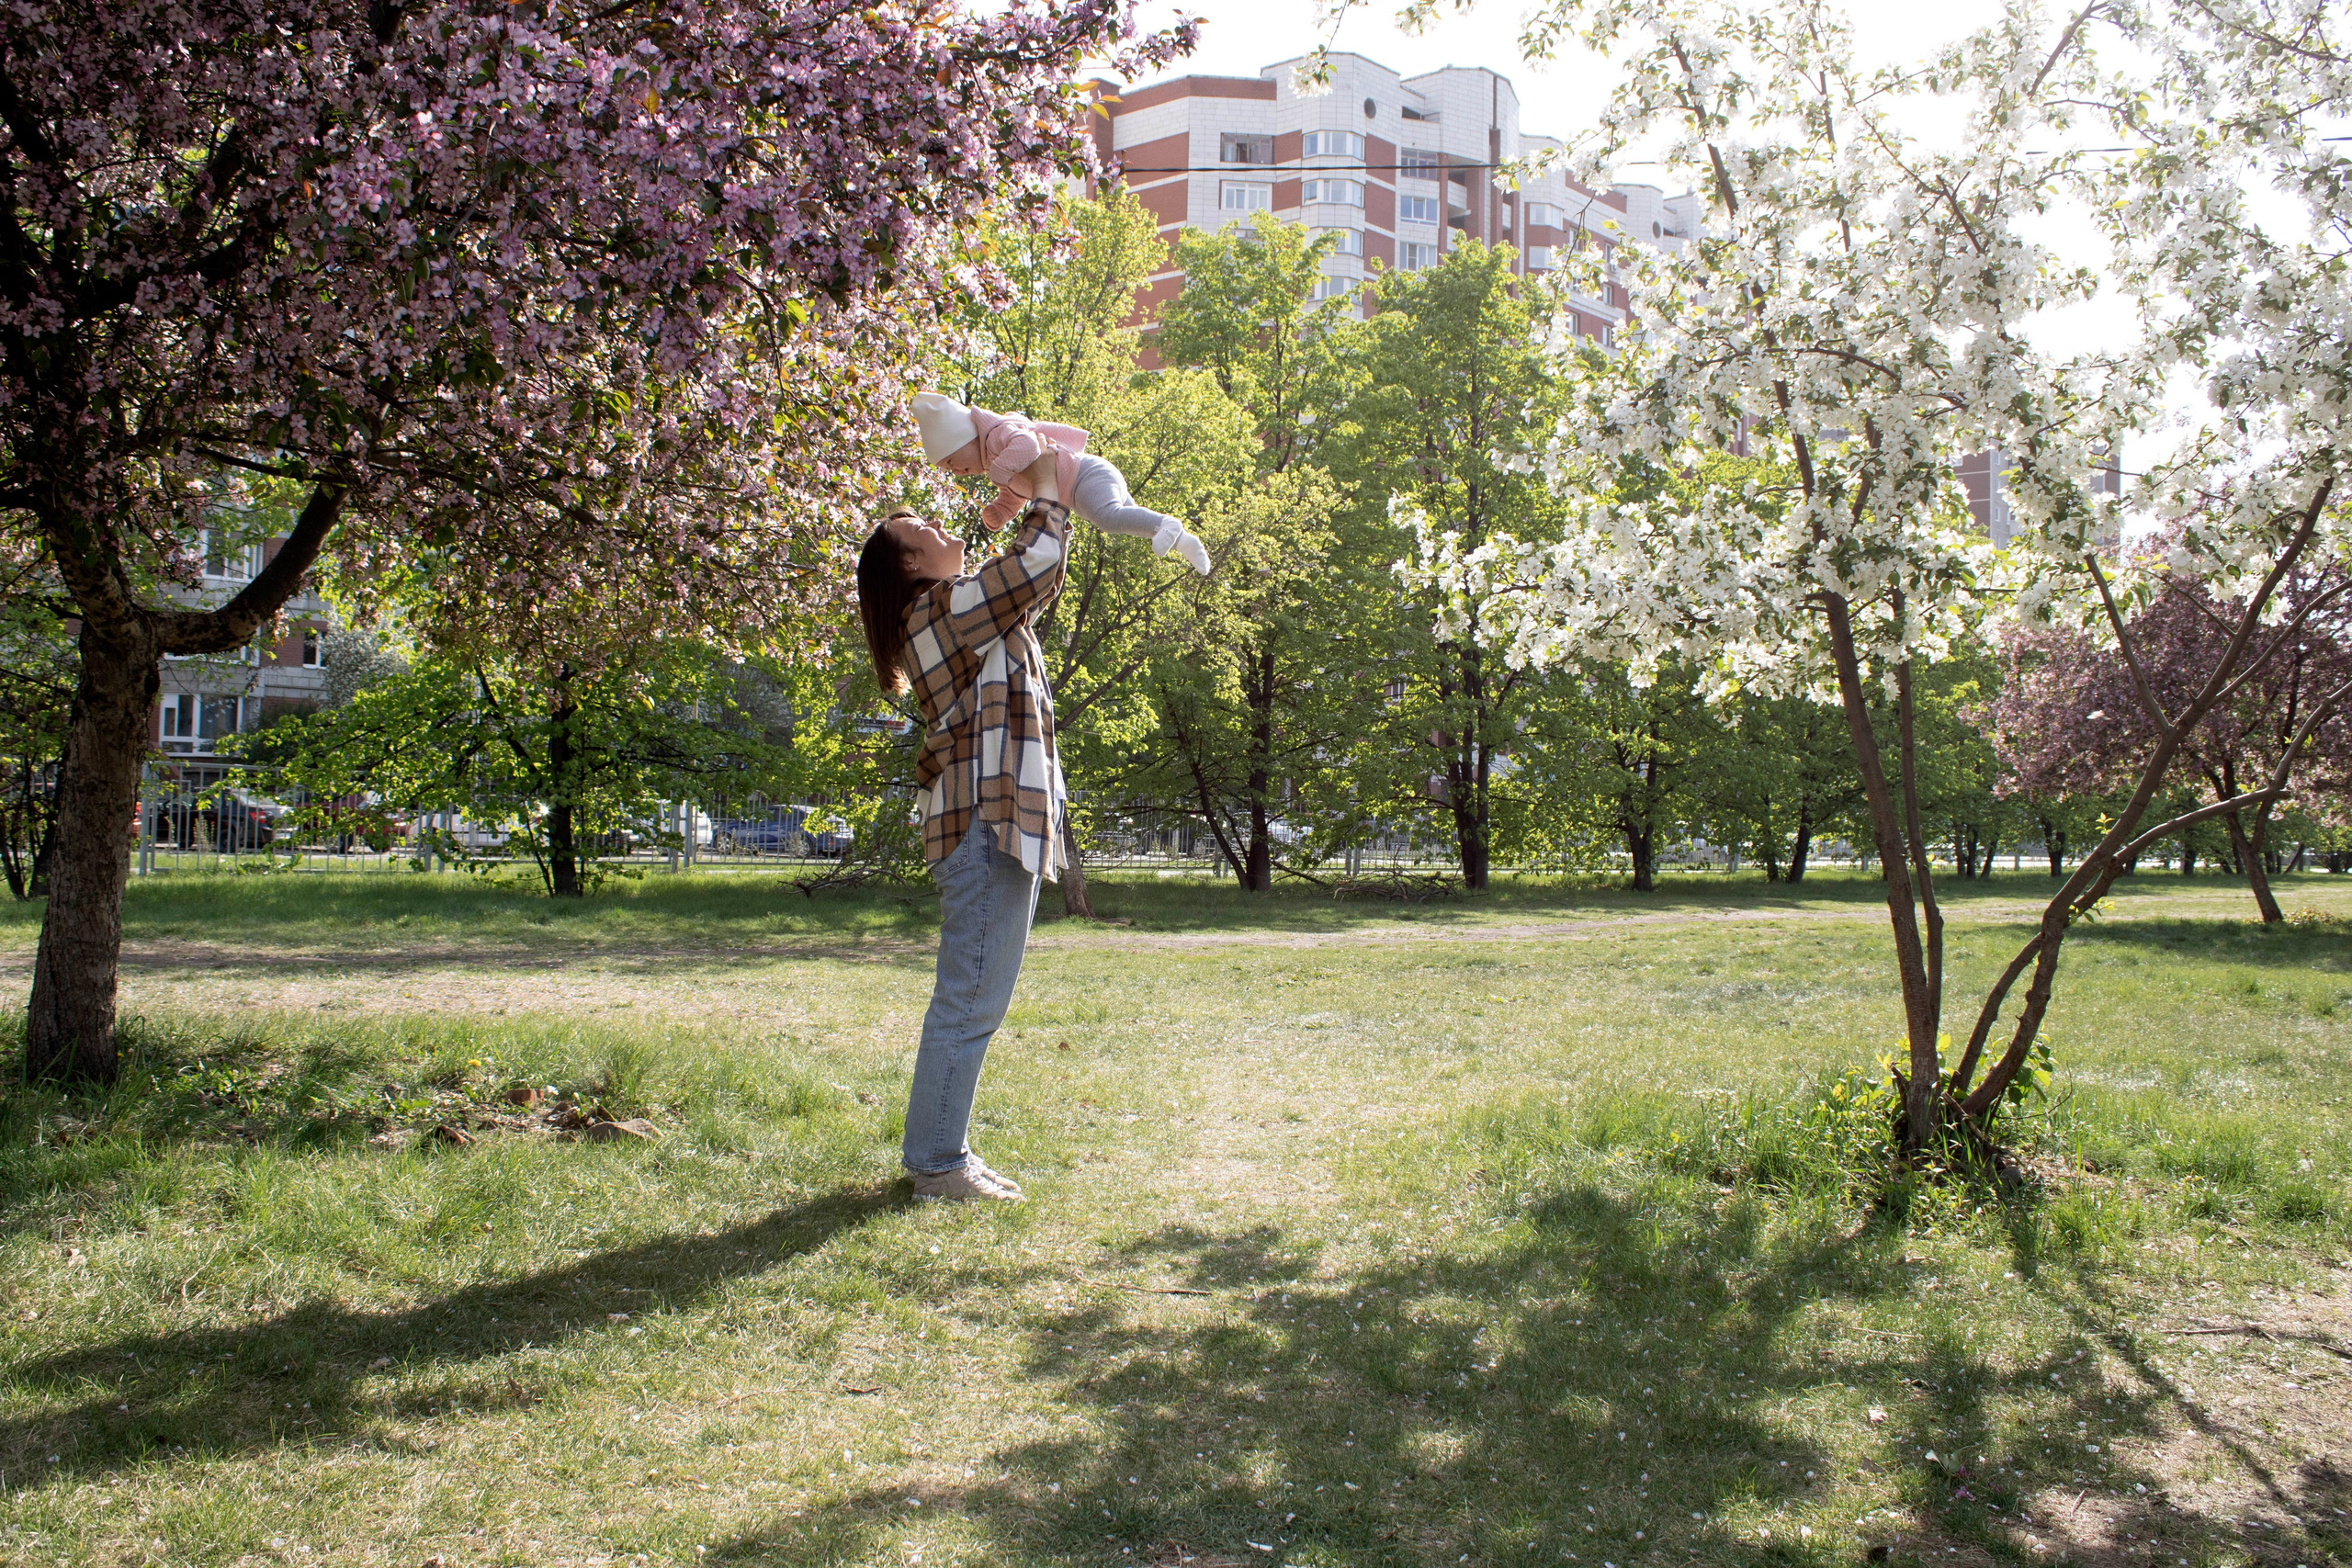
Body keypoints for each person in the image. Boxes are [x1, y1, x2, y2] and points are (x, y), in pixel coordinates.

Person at [855, 454, 1074, 1202]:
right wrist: (1045, 483)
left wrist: (1025, 500)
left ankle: (942, 1154)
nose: (941, 523)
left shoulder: (949, 612)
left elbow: (1026, 585)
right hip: (983, 828)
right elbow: (1037, 565)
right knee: (969, 998)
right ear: (909, 563)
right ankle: (938, 1165)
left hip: (985, 826)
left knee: (974, 996)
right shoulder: (938, 609)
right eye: (923, 527)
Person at [911, 390, 1213, 575]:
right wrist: (1002, 510)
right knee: (1125, 518)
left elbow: (1029, 447)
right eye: (949, 470)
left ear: (963, 439)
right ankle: (1182, 540)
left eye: (952, 461)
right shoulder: (996, 462)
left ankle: (1167, 524)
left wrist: (999, 471)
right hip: (1080, 489)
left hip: (1085, 475)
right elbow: (1016, 493)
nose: (958, 472)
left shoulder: (998, 434)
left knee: (1108, 518)